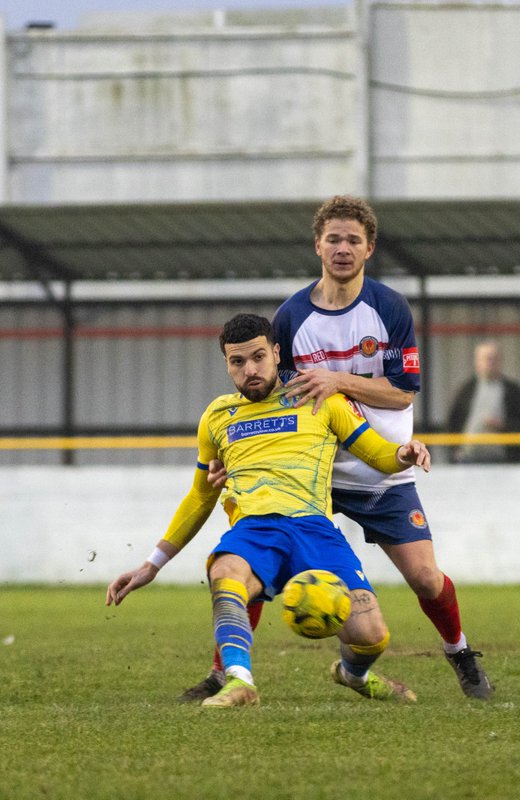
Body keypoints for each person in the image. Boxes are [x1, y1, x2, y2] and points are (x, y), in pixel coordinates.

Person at [187, 195, 494, 702]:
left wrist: (337, 380)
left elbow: (403, 392)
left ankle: (460, 653)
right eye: (334, 239)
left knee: (424, 577)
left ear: (370, 248)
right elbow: (273, 398)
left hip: (382, 468)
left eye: (354, 239)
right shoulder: (291, 316)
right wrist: (235, 458)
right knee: (251, 558)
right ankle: (225, 674)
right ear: (318, 245)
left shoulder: (389, 308)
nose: (343, 248)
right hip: (312, 475)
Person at [106, 313, 431, 707]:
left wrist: (404, 453)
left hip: (314, 529)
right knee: (224, 572)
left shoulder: (320, 398)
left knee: (372, 636)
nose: (250, 370)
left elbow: (377, 454)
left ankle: (353, 673)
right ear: (227, 364)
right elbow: (200, 496)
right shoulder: (217, 416)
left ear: (277, 353)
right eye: (238, 362)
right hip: (255, 531)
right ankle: (239, 681)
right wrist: (152, 564)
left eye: (258, 357)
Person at [445, 340, 520, 464]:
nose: (490, 363)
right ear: (477, 362)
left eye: (494, 359)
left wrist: (503, 425)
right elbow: (452, 423)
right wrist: (454, 451)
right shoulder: (465, 390)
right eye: (486, 359)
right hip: (467, 459)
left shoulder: (513, 391)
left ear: (500, 361)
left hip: (504, 461)